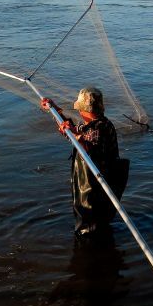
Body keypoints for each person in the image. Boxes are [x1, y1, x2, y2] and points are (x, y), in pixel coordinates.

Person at [41, 87, 120, 237]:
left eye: (79, 109)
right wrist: (56, 111)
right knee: (92, 220)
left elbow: (92, 152)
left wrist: (78, 138)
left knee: (91, 226)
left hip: (96, 188)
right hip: (88, 186)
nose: (78, 112)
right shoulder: (95, 123)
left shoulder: (99, 129)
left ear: (84, 110)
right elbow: (75, 130)